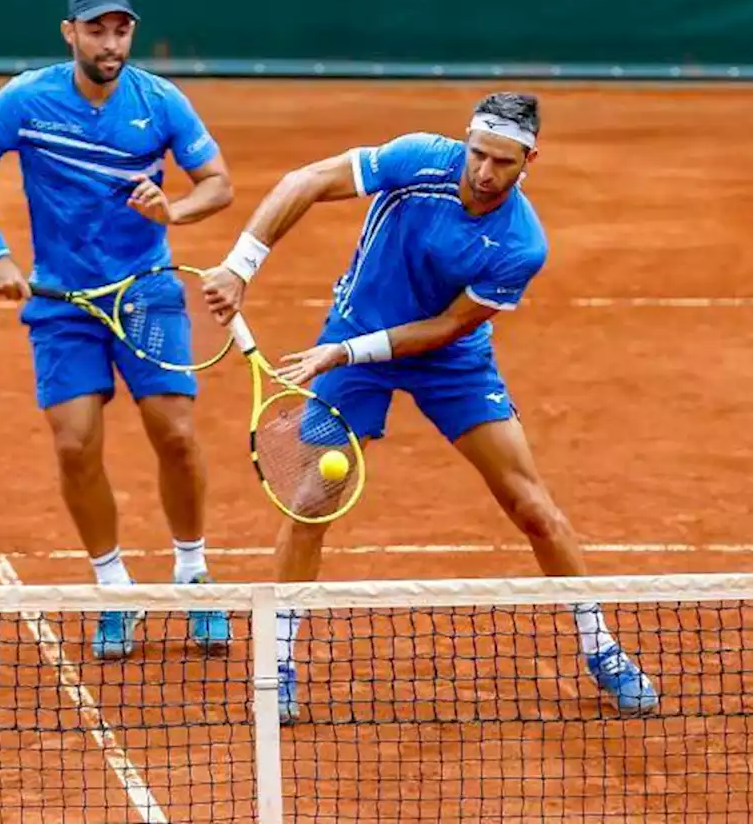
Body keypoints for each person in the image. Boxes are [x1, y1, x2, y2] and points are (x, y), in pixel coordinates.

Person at [202, 92, 659, 721]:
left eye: (503, 161)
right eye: (478, 154)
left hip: (447, 358)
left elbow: (445, 329)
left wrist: (342, 355)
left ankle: (599, 645)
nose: (484, 172)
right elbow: (306, 180)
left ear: (530, 159)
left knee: (532, 506)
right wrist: (239, 265)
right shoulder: (417, 158)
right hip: (356, 325)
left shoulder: (522, 244)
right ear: (465, 142)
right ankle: (277, 659)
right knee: (312, 499)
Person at [0, 0, 234, 659]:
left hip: (147, 292)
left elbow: (217, 183)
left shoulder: (160, 102)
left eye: (121, 30)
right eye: (96, 31)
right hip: (62, 302)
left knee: (177, 434)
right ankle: (113, 588)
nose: (111, 44)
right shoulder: (25, 99)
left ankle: (193, 574)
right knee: (74, 443)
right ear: (69, 33)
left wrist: (175, 210)